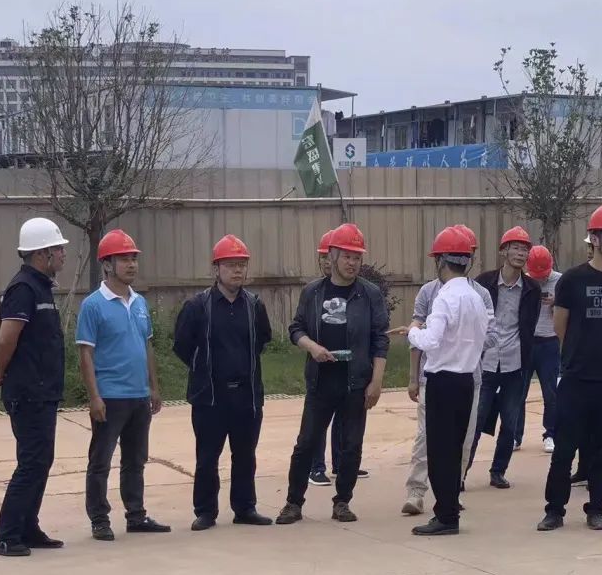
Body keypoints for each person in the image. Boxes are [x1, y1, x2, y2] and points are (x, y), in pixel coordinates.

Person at [538, 203, 602, 532]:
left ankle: (596, 508)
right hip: (576, 378)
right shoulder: (572, 280)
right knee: (564, 449)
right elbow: (560, 326)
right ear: (594, 239)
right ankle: (554, 510)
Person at [276, 223, 389, 525]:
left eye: (357, 257)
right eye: (347, 256)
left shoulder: (369, 294)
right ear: (333, 256)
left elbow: (380, 338)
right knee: (306, 443)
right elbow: (296, 328)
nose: (352, 263)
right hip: (321, 381)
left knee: (351, 445)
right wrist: (312, 347)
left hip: (355, 382)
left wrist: (377, 381)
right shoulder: (313, 292)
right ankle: (293, 502)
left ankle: (342, 502)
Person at [390, 227, 490, 536]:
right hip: (466, 380)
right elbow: (485, 337)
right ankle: (450, 509)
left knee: (438, 451)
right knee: (455, 448)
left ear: (440, 261)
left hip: (443, 381)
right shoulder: (476, 297)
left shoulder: (445, 296)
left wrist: (412, 332)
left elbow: (431, 340)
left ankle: (445, 515)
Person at [173, 234, 275, 531]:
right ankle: (205, 511)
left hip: (246, 395)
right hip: (210, 397)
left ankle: (245, 508)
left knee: (245, 456)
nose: (237, 270)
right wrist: (204, 369)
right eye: (230, 265)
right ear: (216, 269)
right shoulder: (197, 306)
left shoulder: (254, 305)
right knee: (207, 457)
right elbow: (182, 345)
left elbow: (262, 340)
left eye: (241, 265)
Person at [76, 230, 170, 541]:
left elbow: (147, 346)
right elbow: (85, 353)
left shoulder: (140, 302)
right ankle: (99, 519)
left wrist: (153, 387)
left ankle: (136, 515)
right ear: (107, 264)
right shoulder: (93, 305)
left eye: (133, 259)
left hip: (138, 396)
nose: (131, 264)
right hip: (110, 396)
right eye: (124, 259)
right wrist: (94, 397)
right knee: (100, 461)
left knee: (135, 460)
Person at [0, 218, 70, 557]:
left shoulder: (41, 287)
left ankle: (27, 527)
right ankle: (6, 535)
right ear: (41, 253)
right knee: (32, 462)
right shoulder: (23, 289)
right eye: (58, 249)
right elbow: (6, 339)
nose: (63, 254)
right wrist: (1, 371)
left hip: (43, 391)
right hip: (29, 392)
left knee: (40, 461)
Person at [469, 226, 540, 489]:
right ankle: (461, 472)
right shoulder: (483, 282)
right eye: (516, 248)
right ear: (504, 251)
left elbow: (530, 325)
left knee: (510, 423)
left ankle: (498, 471)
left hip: (515, 364)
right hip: (485, 362)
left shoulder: (532, 288)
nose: (521, 254)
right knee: (476, 421)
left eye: (525, 249)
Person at [309, 230, 369, 486]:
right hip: (322, 371)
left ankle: (340, 462)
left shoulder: (361, 292)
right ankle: (316, 466)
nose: (326, 262)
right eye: (323, 257)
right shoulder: (315, 292)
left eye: (328, 256)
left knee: (344, 421)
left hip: (349, 371)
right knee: (317, 424)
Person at [570, 232, 602, 491]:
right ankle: (584, 469)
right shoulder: (578, 277)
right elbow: (564, 325)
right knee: (583, 426)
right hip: (582, 368)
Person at [518, 245, 560, 454]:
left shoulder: (561, 281)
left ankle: (550, 434)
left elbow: (572, 308)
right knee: (519, 392)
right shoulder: (524, 282)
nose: (540, 279)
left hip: (550, 342)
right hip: (527, 342)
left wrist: (556, 302)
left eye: (543, 276)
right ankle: (515, 435)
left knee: (551, 392)